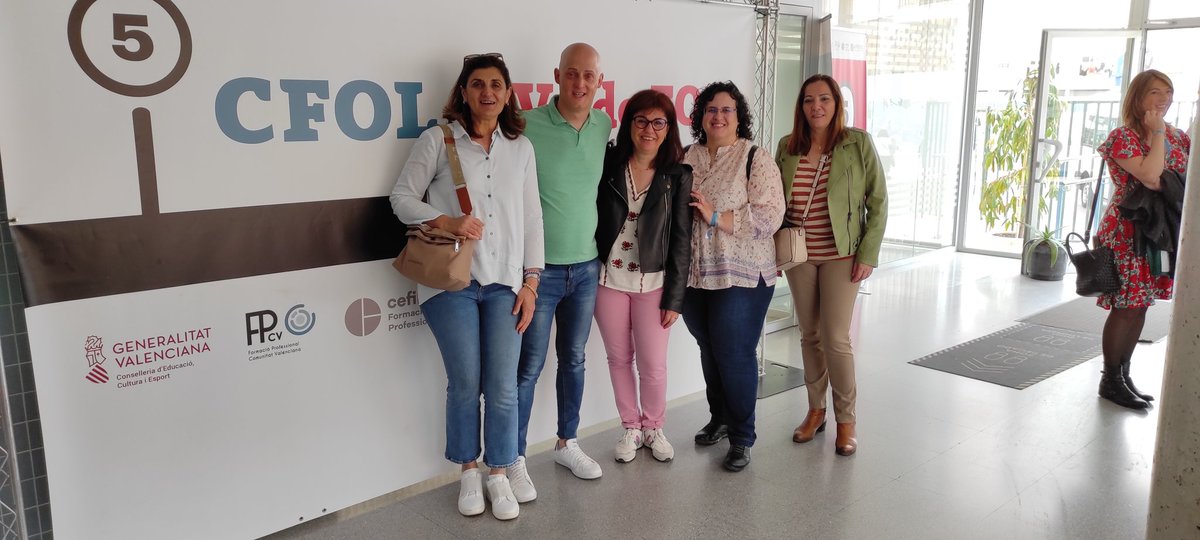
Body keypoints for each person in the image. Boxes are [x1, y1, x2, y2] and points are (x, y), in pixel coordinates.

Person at [390, 53, 542, 521]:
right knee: (464, 383)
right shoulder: (438, 140)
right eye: (478, 84)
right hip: (451, 283)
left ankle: (500, 473)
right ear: (463, 91)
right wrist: (448, 221)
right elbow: (401, 198)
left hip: (504, 282)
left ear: (508, 93)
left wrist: (532, 282)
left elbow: (533, 218)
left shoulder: (521, 148)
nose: (488, 92)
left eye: (497, 84)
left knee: (501, 387)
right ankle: (469, 471)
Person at [512, 43, 612, 498]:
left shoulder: (603, 125)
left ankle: (567, 442)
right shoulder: (526, 125)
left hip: (586, 268)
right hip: (538, 273)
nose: (580, 83)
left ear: (598, 81)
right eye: (572, 74)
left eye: (588, 76)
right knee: (528, 368)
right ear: (557, 75)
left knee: (574, 359)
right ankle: (510, 458)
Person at [776, 74, 888, 457]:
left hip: (842, 255)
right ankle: (815, 411)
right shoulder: (787, 147)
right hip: (800, 255)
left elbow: (879, 200)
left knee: (835, 337)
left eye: (824, 99)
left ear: (837, 104)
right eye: (809, 100)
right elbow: (775, 202)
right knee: (809, 335)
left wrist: (868, 253)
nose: (816, 107)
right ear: (801, 106)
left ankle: (846, 420)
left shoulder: (857, 143)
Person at [682, 81, 785, 472]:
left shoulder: (754, 157)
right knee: (710, 348)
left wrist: (715, 217)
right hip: (696, 274)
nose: (719, 116)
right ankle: (721, 418)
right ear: (700, 117)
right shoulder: (687, 156)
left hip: (742, 275)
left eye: (727, 110)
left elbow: (769, 215)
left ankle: (743, 436)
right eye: (711, 109)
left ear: (739, 117)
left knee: (734, 352)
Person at [594, 89, 693, 463]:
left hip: (654, 283)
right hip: (608, 280)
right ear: (629, 124)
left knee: (653, 363)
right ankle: (631, 428)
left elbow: (682, 239)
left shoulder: (677, 175)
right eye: (641, 120)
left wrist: (675, 298)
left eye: (658, 122)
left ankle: (654, 426)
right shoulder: (609, 163)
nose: (648, 130)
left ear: (668, 128)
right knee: (619, 359)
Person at [1094, 69, 1190, 409]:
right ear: (1137, 98)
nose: (1163, 98)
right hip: (1127, 233)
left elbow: (1181, 182)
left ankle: (1124, 375)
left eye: (1168, 90)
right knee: (1126, 306)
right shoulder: (1123, 137)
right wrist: (1158, 134)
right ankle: (1110, 379)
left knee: (1142, 305)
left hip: (1160, 231)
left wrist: (1164, 168)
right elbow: (1151, 175)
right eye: (1154, 92)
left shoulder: (1180, 137)